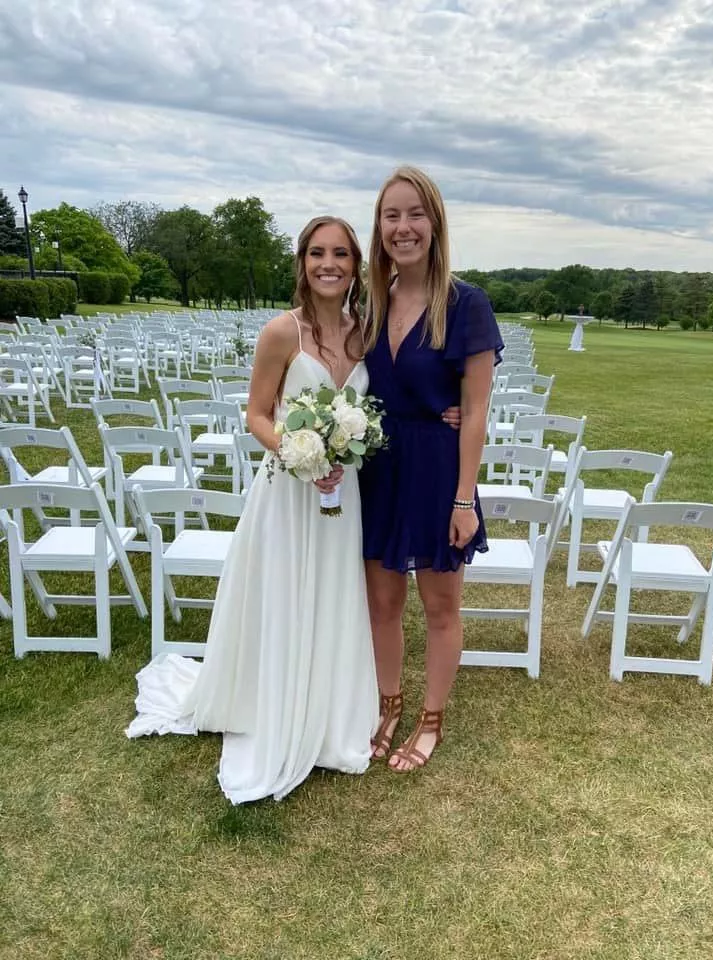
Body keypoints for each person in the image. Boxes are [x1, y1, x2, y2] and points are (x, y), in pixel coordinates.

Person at [126, 216, 379, 804]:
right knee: (286, 592)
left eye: (341, 254)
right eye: (317, 253)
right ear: (302, 262)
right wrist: (301, 451)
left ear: (356, 266)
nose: (329, 264)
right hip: (288, 491)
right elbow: (257, 414)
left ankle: (329, 711)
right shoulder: (280, 332)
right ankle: (276, 703)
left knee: (336, 593)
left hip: (345, 490)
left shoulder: (364, 332)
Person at [360, 166, 504, 772]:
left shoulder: (465, 304)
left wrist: (464, 500)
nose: (403, 226)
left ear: (435, 221)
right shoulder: (368, 302)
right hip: (377, 470)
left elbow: (474, 413)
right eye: (392, 215)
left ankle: (431, 719)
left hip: (439, 474)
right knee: (382, 604)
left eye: (415, 213)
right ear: (380, 226)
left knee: (441, 606)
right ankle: (388, 704)